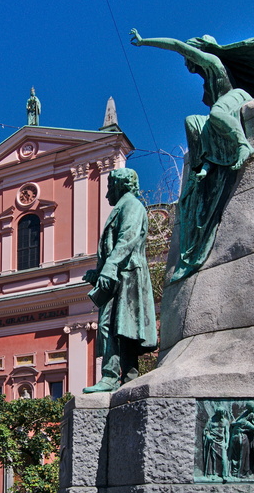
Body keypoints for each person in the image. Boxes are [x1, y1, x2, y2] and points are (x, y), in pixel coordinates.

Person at [129, 29, 254, 281]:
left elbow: (176, 43)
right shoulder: (207, 76)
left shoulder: (212, 62)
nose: (187, 65)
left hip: (236, 99)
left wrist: (144, 41)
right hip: (222, 113)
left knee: (216, 113)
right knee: (192, 121)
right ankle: (204, 163)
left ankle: (242, 146)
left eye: (188, 59)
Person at [82, 168, 157, 393]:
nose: (106, 195)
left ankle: (111, 376)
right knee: (121, 327)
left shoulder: (131, 205)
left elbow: (127, 239)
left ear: (118, 186)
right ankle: (128, 377)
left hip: (127, 274)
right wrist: (97, 273)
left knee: (113, 325)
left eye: (108, 188)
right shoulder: (122, 207)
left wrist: (110, 266)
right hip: (119, 274)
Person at [203, 407, 231, 482]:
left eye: (223, 413)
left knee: (224, 459)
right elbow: (206, 430)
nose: (222, 415)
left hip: (221, 442)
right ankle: (215, 474)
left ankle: (225, 475)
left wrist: (227, 443)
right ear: (217, 413)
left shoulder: (225, 421)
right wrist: (208, 436)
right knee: (213, 458)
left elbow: (227, 433)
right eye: (220, 414)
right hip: (213, 441)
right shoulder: (211, 420)